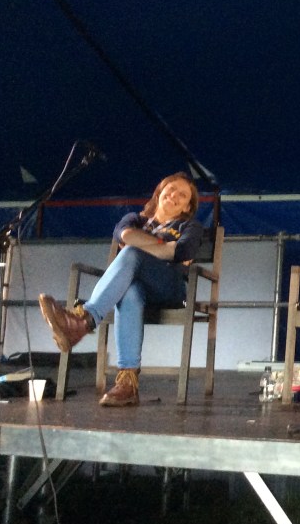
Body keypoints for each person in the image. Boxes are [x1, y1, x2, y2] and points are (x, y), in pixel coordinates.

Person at [38, 172, 204, 407]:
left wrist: (142, 246)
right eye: (171, 189)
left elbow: (182, 251)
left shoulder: (190, 226)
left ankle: (84, 321)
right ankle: (127, 383)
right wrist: (164, 246)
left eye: (183, 195)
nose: (175, 195)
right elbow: (124, 235)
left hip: (169, 287)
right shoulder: (134, 219)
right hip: (135, 287)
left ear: (187, 206)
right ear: (160, 192)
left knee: (130, 253)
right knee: (130, 290)